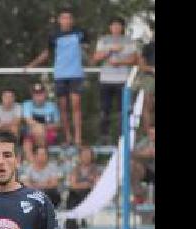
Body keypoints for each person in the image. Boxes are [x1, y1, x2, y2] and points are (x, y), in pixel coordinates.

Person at [27, 7, 90, 147]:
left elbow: (88, 50)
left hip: (75, 74)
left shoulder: (80, 33)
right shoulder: (54, 35)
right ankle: (68, 138)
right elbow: (46, 53)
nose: (66, 21)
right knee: (63, 108)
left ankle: (78, 137)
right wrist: (31, 65)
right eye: (64, 18)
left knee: (76, 105)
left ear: (72, 20)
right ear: (59, 20)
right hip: (60, 74)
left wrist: (93, 60)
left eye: (69, 18)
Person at [93, 17, 139, 143]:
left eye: (118, 25)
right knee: (104, 110)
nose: (116, 28)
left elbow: (135, 60)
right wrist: (110, 50)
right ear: (110, 27)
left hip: (123, 80)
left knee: (123, 110)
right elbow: (96, 58)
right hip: (106, 80)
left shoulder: (129, 41)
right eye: (114, 25)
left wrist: (120, 61)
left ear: (122, 27)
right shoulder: (103, 40)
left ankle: (122, 136)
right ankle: (104, 136)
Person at [64, 146, 99, 229]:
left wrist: (82, 185)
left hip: (89, 195)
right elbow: (72, 185)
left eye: (88, 155)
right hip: (76, 194)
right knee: (71, 200)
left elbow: (96, 185)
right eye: (84, 155)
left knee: (81, 196)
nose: (86, 157)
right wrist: (86, 183)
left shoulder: (95, 169)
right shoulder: (76, 168)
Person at [20, 83, 62, 160]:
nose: (38, 96)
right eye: (36, 94)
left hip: (49, 134)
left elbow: (58, 124)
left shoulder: (52, 106)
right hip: (31, 134)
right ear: (32, 95)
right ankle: (34, 165)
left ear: (45, 94)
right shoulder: (27, 104)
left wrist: (43, 128)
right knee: (27, 144)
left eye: (40, 93)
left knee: (38, 131)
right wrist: (40, 128)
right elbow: (28, 120)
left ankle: (41, 159)